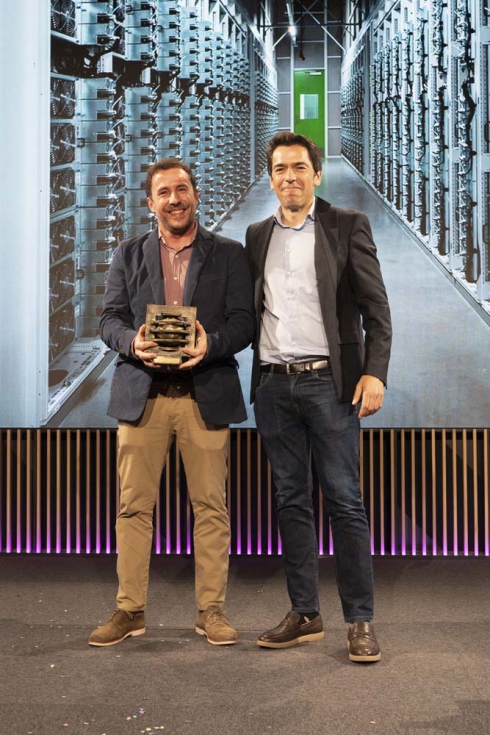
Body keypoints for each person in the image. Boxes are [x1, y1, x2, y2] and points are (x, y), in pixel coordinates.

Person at [89, 158, 254, 647]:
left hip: (205, 392)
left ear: (196, 195)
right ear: (150, 203)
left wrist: (211, 344)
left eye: (182, 189)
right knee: (133, 507)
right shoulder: (128, 253)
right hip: (143, 394)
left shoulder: (229, 253)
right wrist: (131, 342)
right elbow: (109, 319)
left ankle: (211, 611)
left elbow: (244, 322)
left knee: (211, 508)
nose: (175, 199)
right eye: (164, 192)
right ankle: (129, 610)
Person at [245, 132, 392, 662]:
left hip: (329, 384)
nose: (290, 177)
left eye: (299, 168)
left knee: (345, 501)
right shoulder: (257, 234)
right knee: (291, 500)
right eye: (280, 169)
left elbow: (377, 309)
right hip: (274, 385)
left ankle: (360, 620)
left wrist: (374, 373)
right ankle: (305, 612)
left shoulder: (346, 224)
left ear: (316, 173)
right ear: (270, 178)